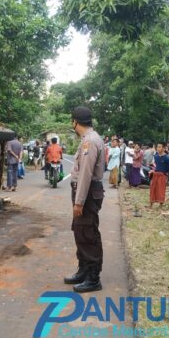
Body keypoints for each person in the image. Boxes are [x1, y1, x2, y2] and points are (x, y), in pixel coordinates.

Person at [64, 106, 105, 293]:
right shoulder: (88, 139)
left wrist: (79, 201)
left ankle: (93, 277)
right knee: (80, 231)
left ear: (75, 122)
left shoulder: (90, 141)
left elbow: (85, 175)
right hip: (85, 192)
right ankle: (83, 270)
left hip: (87, 193)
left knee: (88, 233)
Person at [149, 142, 169, 208]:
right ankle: (151, 203)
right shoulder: (155, 157)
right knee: (153, 189)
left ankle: (161, 204)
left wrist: (166, 176)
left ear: (164, 148)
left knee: (161, 190)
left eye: (160, 147)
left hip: (162, 176)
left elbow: (168, 168)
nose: (158, 148)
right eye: (157, 147)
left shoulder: (167, 158)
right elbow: (153, 165)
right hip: (155, 175)